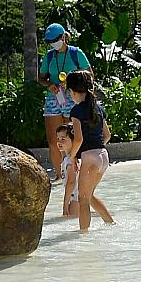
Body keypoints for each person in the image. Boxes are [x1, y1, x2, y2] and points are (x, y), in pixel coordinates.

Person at [39, 22, 92, 182]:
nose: (52, 44)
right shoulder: (49, 56)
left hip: (73, 97)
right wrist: (49, 84)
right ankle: (59, 174)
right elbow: (41, 78)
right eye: (49, 42)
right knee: (54, 139)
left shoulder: (76, 53)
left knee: (71, 136)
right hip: (54, 97)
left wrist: (71, 82)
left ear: (63, 37)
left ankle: (73, 171)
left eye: (55, 39)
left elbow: (89, 74)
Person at [65, 71, 114, 230]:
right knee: (89, 195)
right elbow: (107, 135)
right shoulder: (99, 108)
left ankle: (83, 237)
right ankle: (111, 224)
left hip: (90, 158)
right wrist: (96, 149)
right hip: (103, 157)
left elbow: (78, 139)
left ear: (72, 91)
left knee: (82, 199)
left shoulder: (76, 111)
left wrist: (72, 157)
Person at [55, 122, 80, 218]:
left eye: (63, 139)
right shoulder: (69, 158)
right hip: (75, 196)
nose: (59, 142)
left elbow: (71, 182)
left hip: (76, 198)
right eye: (58, 139)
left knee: (70, 218)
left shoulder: (70, 161)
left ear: (74, 141)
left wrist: (65, 204)